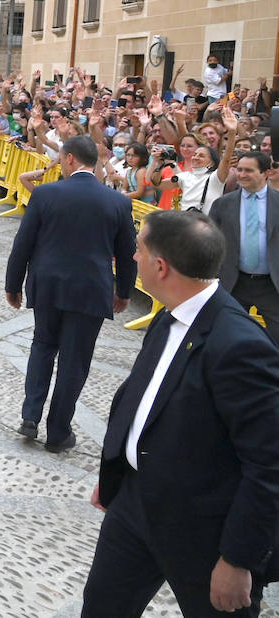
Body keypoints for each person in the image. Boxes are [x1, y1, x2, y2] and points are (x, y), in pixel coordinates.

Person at [82, 211, 279, 618]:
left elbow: (269, 464)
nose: (132, 257)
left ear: (160, 267)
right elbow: (141, 398)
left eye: (138, 249)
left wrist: (238, 559)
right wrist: (115, 470)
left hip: (202, 532)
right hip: (135, 505)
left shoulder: (240, 344)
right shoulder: (169, 316)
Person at [5, 135, 137, 453]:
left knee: (42, 346)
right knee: (74, 361)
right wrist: (124, 291)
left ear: (70, 158)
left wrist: (13, 284)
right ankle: (58, 432)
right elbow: (127, 252)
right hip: (91, 290)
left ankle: (30, 415)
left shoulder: (46, 193)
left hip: (48, 285)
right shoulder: (118, 202)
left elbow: (23, 242)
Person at [209, 151, 279, 345]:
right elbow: (211, 243)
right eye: (239, 169)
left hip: (271, 285)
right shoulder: (223, 204)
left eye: (249, 170)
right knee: (226, 335)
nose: (241, 174)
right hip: (234, 281)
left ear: (266, 173)